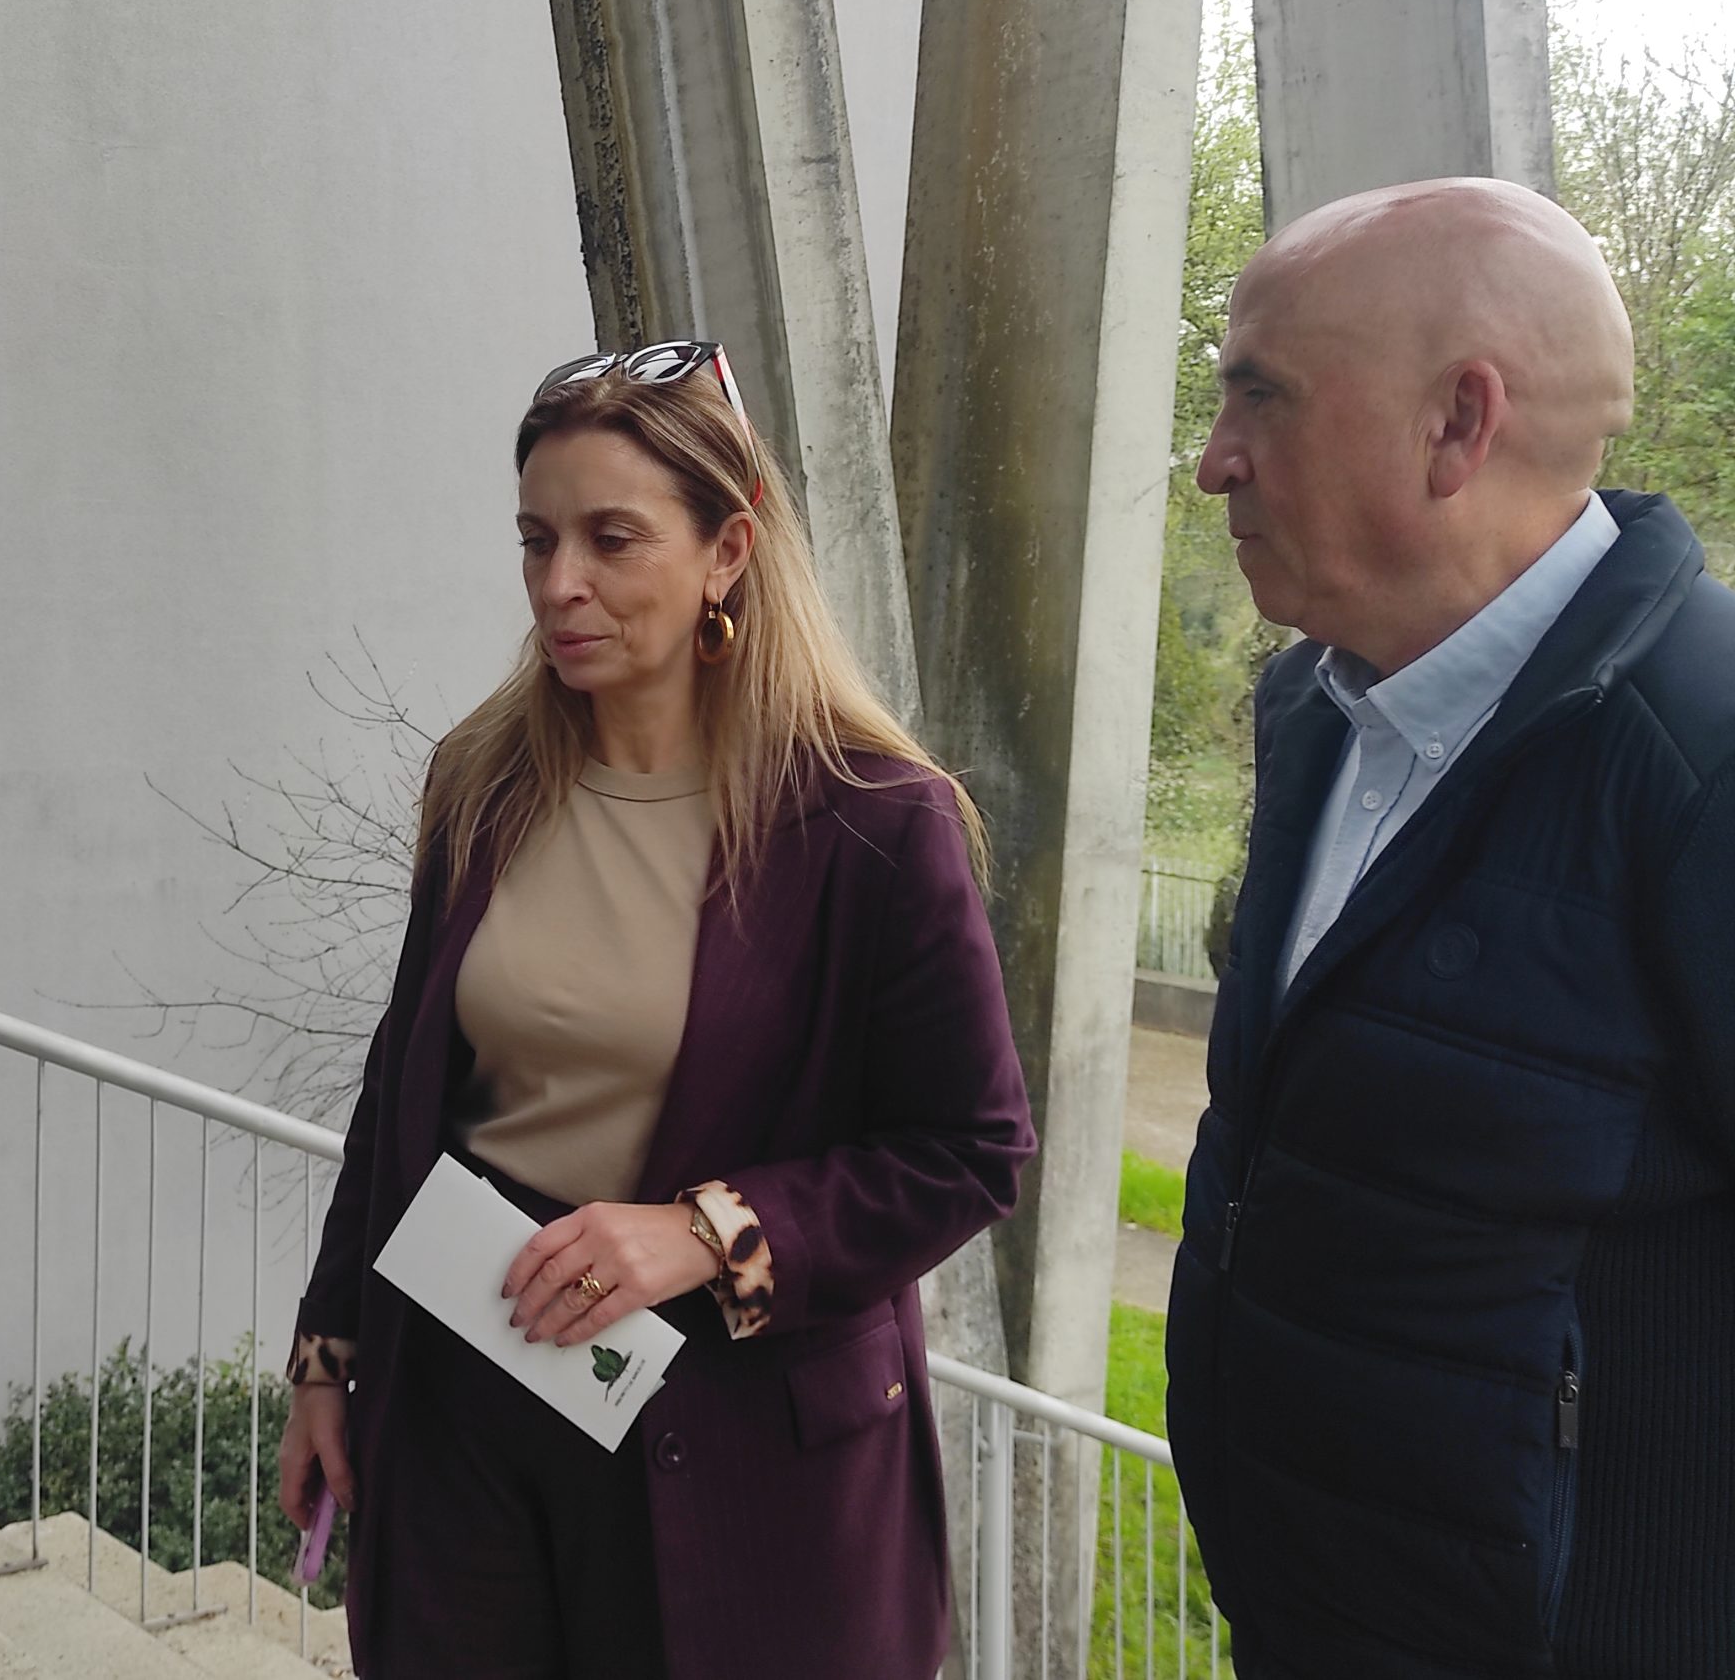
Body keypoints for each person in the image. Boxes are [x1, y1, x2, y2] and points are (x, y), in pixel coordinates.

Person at [276, 342, 1036, 1679]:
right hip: (461, 1421)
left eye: (611, 539)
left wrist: (709, 1233)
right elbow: (399, 1089)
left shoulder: (869, 825)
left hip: (734, 1463)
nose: (558, 583)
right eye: (536, 539)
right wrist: (328, 1361)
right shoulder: (483, 785)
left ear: (727, 552)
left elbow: (970, 1150)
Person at [1168, 178, 1735, 1676]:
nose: (1213, 459)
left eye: (1261, 397)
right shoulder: (1315, 704)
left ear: (1457, 424)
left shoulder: (1704, 755)